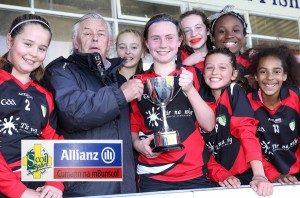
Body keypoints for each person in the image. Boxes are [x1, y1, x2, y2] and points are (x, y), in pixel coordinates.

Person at [43, 13, 143, 197]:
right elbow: (74, 112)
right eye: (87, 33)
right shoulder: (60, 72)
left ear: (109, 43)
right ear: (75, 42)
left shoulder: (118, 78)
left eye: (101, 34)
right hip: (83, 188)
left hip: (126, 188)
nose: (95, 38)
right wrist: (120, 94)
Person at [130, 13, 216, 192]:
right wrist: (138, 144)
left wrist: (190, 90)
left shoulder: (194, 75)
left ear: (179, 40)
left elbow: (208, 124)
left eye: (169, 38)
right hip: (152, 175)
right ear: (146, 43)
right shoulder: (136, 82)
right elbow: (133, 126)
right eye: (156, 38)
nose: (163, 44)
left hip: (194, 173)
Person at [0, 14, 63, 198]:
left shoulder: (44, 95)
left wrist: (54, 183)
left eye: (42, 48)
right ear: (10, 40)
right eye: (28, 44)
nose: (34, 54)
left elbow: (51, 141)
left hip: (37, 188)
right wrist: (19, 191)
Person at [203, 48, 273, 196]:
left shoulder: (234, 91)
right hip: (218, 180)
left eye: (222, 67)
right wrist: (221, 175)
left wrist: (259, 175)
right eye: (209, 67)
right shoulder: (200, 104)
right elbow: (201, 151)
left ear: (234, 74)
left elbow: (246, 132)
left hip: (245, 178)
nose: (215, 72)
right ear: (203, 72)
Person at [247, 46, 300, 184]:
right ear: (256, 76)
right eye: (263, 72)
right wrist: (273, 175)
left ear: (285, 75)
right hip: (263, 175)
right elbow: (248, 146)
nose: (270, 78)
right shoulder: (246, 103)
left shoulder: (296, 97)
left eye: (276, 71)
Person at [209, 5, 252, 90]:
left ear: (244, 36)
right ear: (213, 38)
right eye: (222, 31)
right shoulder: (203, 67)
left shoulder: (253, 67)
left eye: (235, 30)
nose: (229, 35)